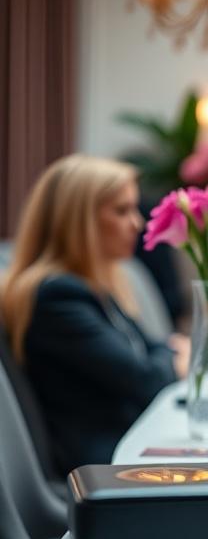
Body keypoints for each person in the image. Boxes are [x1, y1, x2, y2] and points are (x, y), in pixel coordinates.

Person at [0, 155, 188, 474]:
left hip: (125, 444)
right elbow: (145, 380)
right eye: (121, 210)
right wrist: (174, 357)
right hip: (102, 466)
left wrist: (166, 354)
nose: (137, 223)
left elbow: (151, 348)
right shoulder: (56, 297)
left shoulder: (93, 285)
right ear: (78, 220)